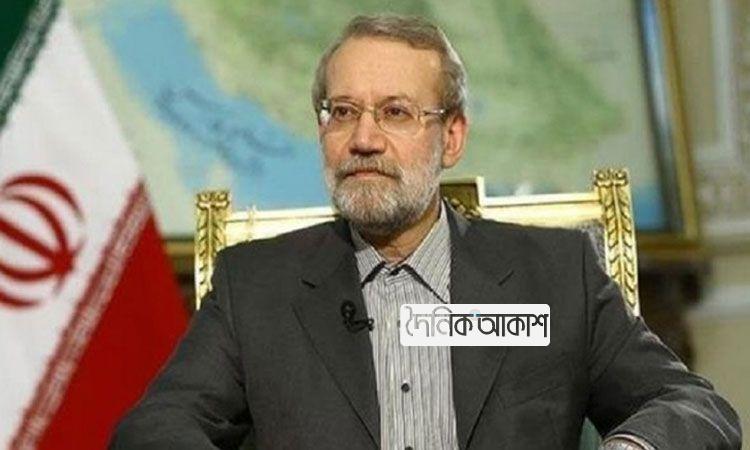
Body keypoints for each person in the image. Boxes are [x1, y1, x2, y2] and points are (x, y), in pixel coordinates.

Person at [111, 14, 741, 450]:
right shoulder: (257, 286)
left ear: (452, 137)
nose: (363, 138)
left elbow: (697, 409)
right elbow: (155, 427)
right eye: (342, 112)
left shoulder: (553, 276)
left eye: (395, 112)